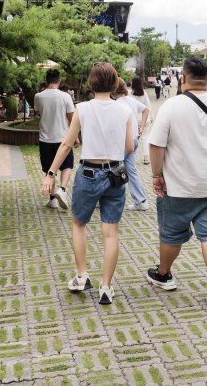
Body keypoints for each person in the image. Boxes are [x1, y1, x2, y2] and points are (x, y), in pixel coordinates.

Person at [145, 56, 207, 316]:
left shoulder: (171, 106)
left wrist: (156, 175)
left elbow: (156, 144)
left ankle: (164, 275)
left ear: (182, 78)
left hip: (178, 185)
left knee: (171, 233)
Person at [42, 63, 133, 305]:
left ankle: (82, 276)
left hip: (89, 174)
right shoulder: (124, 110)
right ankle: (106, 287)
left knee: (79, 224)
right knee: (110, 232)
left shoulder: (82, 108)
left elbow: (66, 144)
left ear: (91, 83)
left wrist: (50, 173)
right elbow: (129, 147)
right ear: (115, 83)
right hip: (115, 174)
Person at [34, 69, 76, 210]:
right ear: (59, 80)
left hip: (45, 139)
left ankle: (52, 200)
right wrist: (75, 136)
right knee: (67, 166)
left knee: (49, 169)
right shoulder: (65, 96)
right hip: (63, 139)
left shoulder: (38, 96)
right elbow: (72, 117)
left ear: (46, 80)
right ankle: (62, 190)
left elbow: (38, 111)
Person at [116, 77, 151, 211]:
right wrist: (141, 127)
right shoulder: (131, 100)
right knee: (131, 169)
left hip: (124, 141)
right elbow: (146, 109)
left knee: (112, 168)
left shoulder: (117, 104)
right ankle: (141, 200)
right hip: (134, 139)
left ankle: (106, 199)